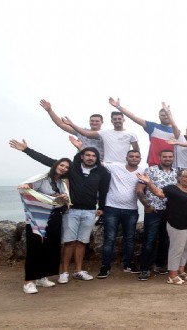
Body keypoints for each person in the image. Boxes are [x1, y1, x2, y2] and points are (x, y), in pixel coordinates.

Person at [10, 139, 111, 284]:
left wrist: (101, 208)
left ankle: (78, 270)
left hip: (90, 211)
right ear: (82, 156)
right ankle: (63, 272)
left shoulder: (102, 173)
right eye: (87, 155)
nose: (90, 158)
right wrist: (27, 150)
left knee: (82, 242)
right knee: (69, 242)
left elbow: (103, 191)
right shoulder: (72, 169)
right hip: (71, 210)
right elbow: (49, 161)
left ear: (97, 158)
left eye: (93, 156)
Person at [16, 156, 71, 294]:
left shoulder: (62, 183)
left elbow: (62, 201)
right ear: (56, 165)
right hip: (37, 220)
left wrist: (64, 198)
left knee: (50, 248)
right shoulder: (42, 178)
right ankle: (28, 282)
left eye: (66, 167)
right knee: (35, 248)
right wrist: (26, 186)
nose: (63, 168)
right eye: (61, 165)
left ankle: (42, 277)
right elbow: (28, 188)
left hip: (54, 217)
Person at [137, 169, 187, 285]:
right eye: (186, 176)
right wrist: (149, 183)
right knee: (176, 249)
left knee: (186, 248)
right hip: (177, 223)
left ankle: (181, 270)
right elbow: (159, 193)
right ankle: (172, 275)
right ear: (179, 177)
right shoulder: (171, 188)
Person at [93, 149, 145, 279]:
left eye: (137, 156)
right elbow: (96, 161)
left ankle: (128, 264)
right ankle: (105, 267)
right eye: (131, 156)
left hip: (131, 210)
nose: (134, 158)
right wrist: (80, 147)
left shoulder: (143, 170)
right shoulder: (115, 167)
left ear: (140, 159)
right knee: (109, 238)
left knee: (130, 238)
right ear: (126, 157)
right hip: (111, 208)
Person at [136, 149, 176, 281]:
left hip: (170, 211)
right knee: (149, 240)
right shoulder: (150, 170)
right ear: (160, 157)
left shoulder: (177, 172)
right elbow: (139, 190)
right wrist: (146, 205)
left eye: (170, 156)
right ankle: (145, 268)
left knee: (166, 240)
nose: (168, 159)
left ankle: (160, 265)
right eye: (165, 156)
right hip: (153, 210)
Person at [109, 98, 179, 167]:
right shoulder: (153, 126)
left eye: (167, 114)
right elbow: (134, 117)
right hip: (154, 163)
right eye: (163, 115)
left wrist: (169, 113)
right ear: (159, 117)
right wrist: (118, 107)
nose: (165, 117)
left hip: (172, 164)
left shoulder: (176, 131)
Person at [63, 111, 139, 164]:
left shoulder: (131, 134)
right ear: (111, 121)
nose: (117, 121)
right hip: (107, 164)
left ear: (123, 120)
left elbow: (136, 152)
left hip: (123, 164)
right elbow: (86, 133)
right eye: (115, 119)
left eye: (119, 119)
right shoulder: (105, 133)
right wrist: (71, 124)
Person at [39, 99, 104, 160]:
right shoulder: (81, 131)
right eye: (92, 121)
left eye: (97, 121)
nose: (94, 123)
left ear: (102, 122)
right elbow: (61, 124)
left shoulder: (106, 134)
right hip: (80, 162)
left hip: (98, 163)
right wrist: (49, 110)